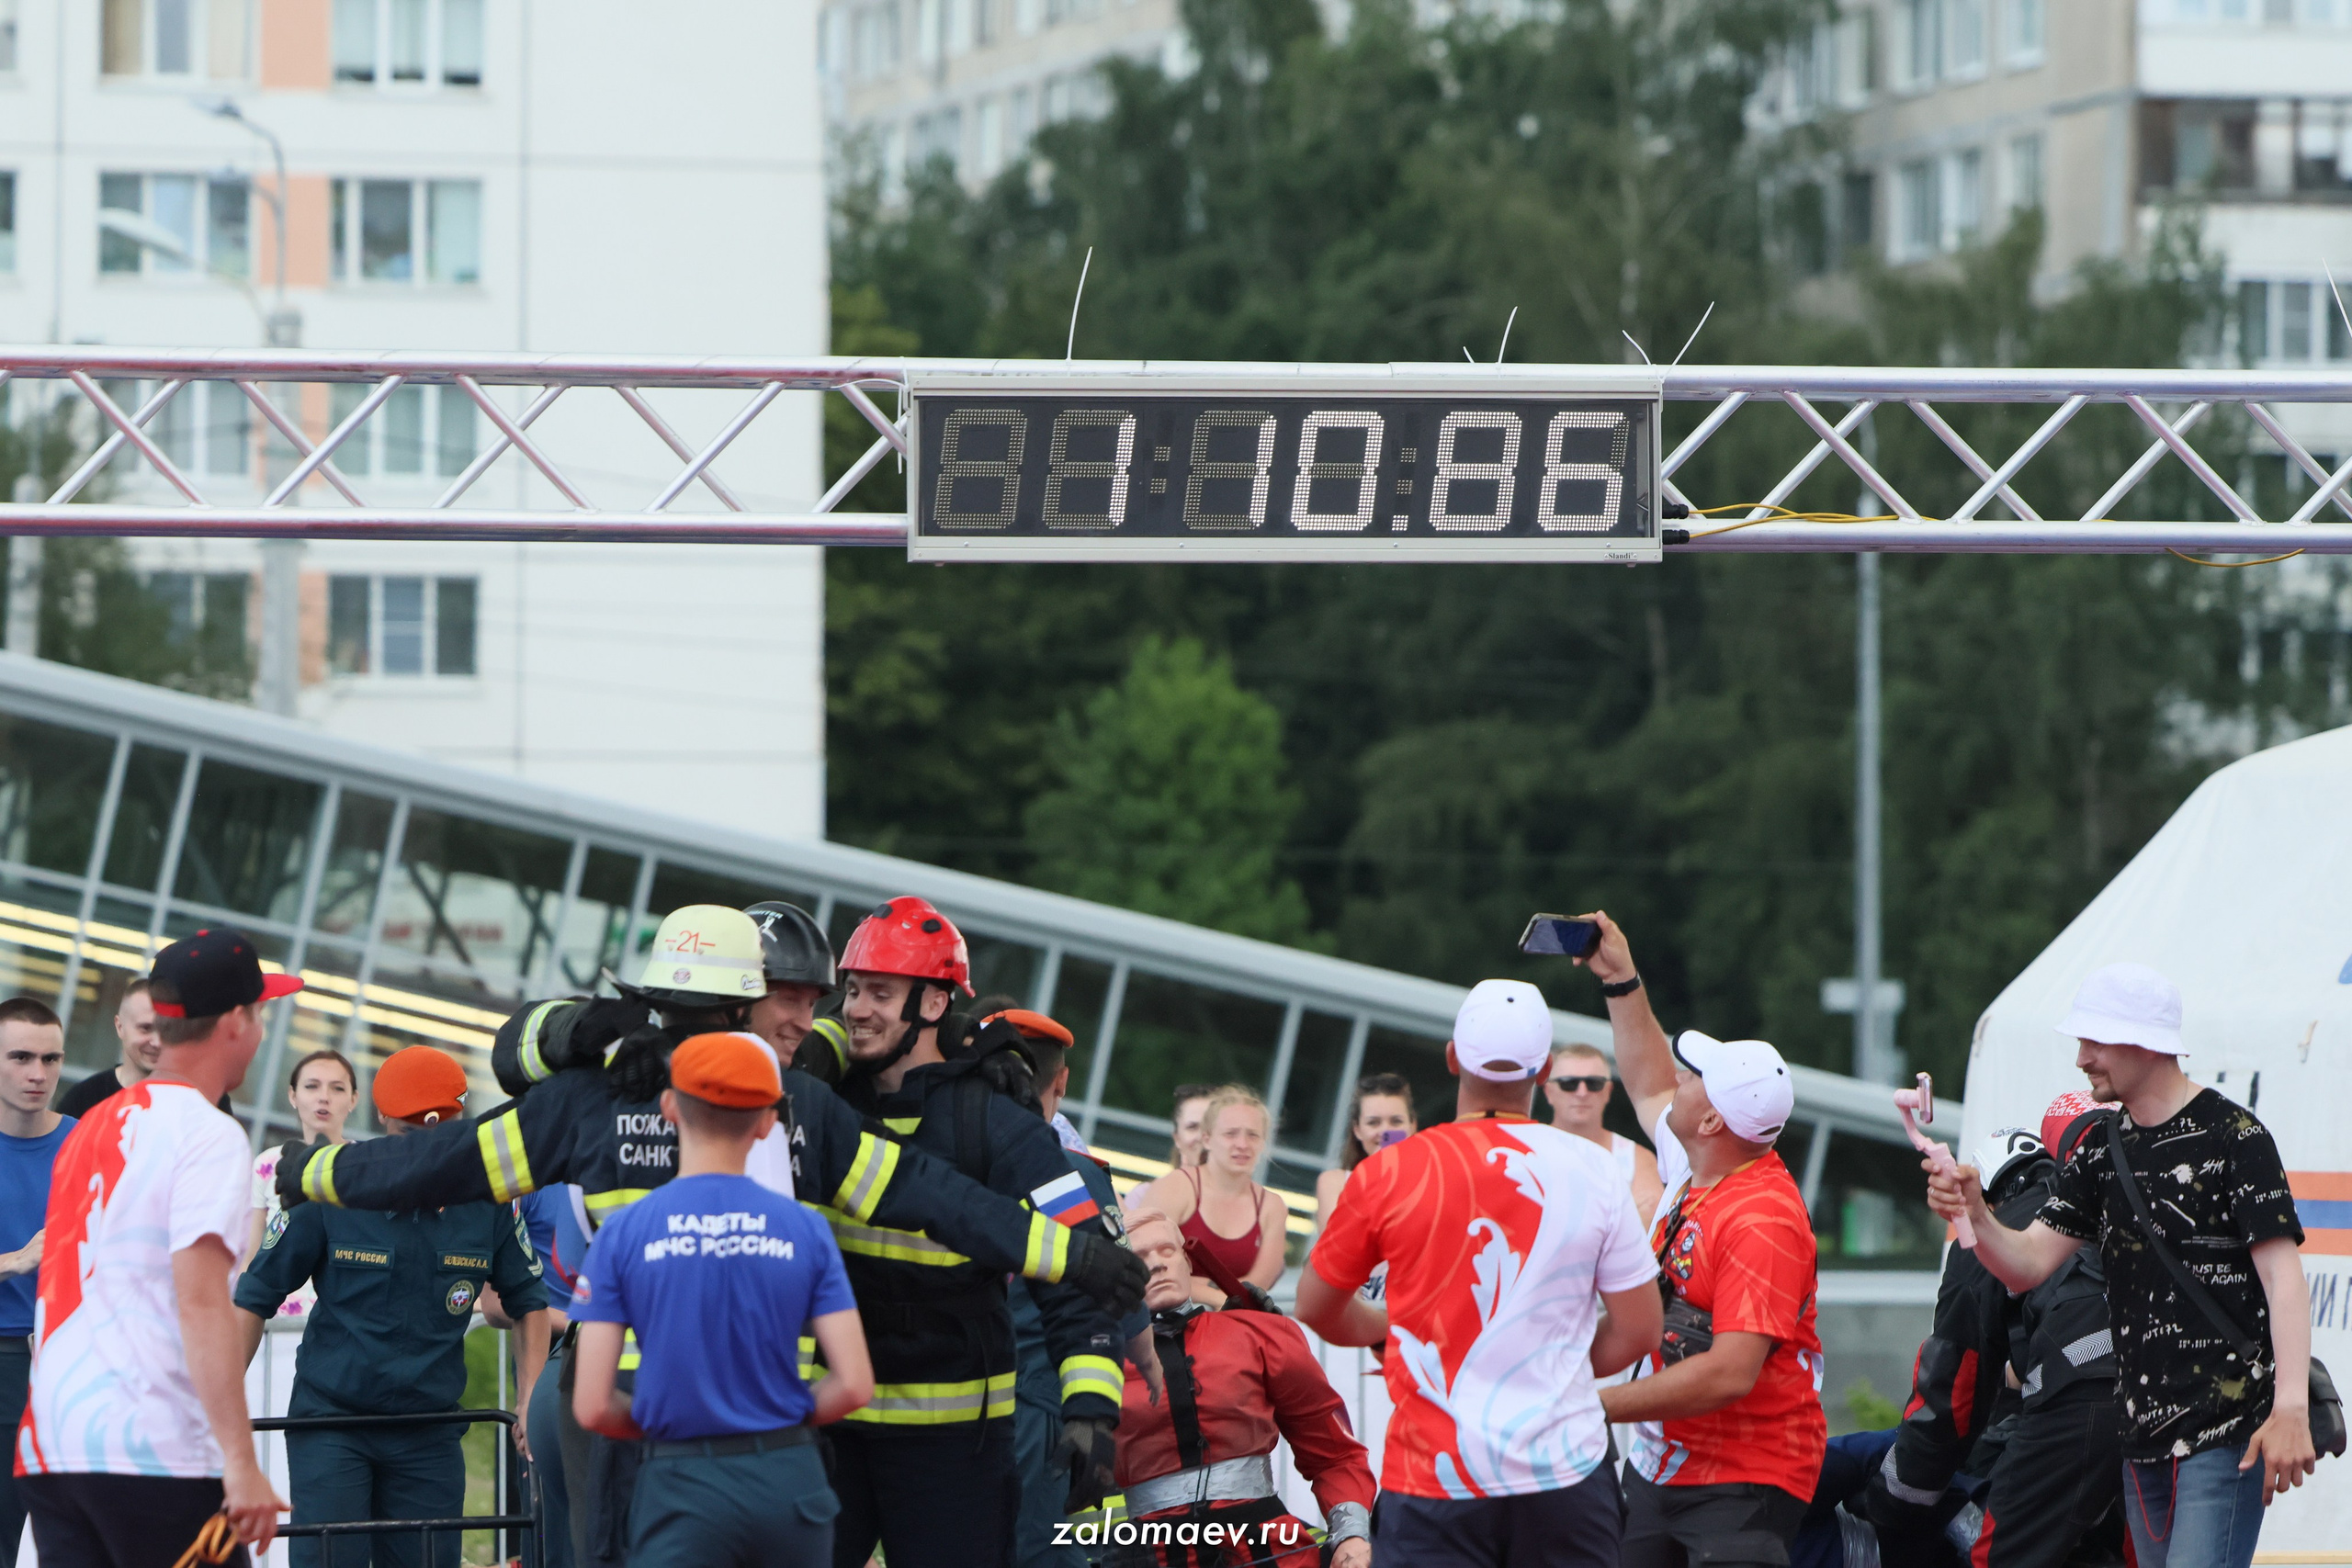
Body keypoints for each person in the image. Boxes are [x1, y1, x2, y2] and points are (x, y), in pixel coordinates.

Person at [269, 905, 1145, 1568]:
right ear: (749, 1006)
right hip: (759, 1440)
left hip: (633, 1425)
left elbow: (432, 1165)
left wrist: (304, 1171)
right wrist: (1077, 1254)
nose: (809, 1018)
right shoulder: (799, 1113)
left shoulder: (586, 1107)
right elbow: (931, 1195)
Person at [1924, 963, 2315, 1568]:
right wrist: (1974, 1209)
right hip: (2140, 1442)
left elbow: (2282, 1276)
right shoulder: (2101, 1150)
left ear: (2145, 1042)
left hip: (2224, 1430)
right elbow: (2026, 1262)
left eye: (2094, 1040)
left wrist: (2290, 1405)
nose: (2081, 1058)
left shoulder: (2234, 1135)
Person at [1299, 977, 1663, 1568]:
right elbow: (1641, 1329)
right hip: (1564, 1474)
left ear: (1452, 1057)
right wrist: (1557, 1361)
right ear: (1543, 1069)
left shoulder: (1389, 1171)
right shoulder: (1597, 1170)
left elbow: (1318, 1307)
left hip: (1433, 1474)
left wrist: (1389, 1325)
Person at [822, 897, 1131, 1568]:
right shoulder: (825, 1103)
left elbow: (1083, 1267)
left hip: (952, 1446)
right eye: (851, 989)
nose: (856, 1008)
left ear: (933, 1005)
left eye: (881, 990)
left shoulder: (992, 1120)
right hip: (827, 1429)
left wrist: (1090, 1411)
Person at [20, 929, 298, 1567]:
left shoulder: (93, 1123)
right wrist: (240, 1461)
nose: (260, 1033)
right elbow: (199, 1302)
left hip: (54, 1440)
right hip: (150, 1445)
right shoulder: (208, 1133)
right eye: (260, 1014)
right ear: (235, 1020)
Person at [1569, 911, 1828, 1568]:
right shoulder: (1702, 1160)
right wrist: (1621, 980)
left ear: (1712, 1117)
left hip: (1745, 1474)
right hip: (1668, 1465)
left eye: (1695, 1077)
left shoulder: (1762, 1216)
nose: (1676, 1081)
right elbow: (1650, 1078)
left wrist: (1591, 1406)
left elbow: (1729, 1370)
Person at [236, 1043, 550, 1568]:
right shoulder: (328, 1187)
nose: (424, 1150)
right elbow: (254, 1296)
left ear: (457, 1121)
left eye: (437, 1131)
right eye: (410, 1133)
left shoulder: (488, 1202)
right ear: (381, 1117)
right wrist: (219, 1418)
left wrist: (529, 1398)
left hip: (428, 1436)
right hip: (332, 1428)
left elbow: (529, 1301)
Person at [568, 1032, 873, 1568]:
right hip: (791, 1483)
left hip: (682, 1486)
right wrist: (780, 1416)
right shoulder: (806, 1230)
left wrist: (674, 1422)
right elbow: (853, 1384)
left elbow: (591, 1405)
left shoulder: (625, 1232)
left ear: (668, 1108)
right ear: (765, 1123)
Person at [1865, 1100, 2125, 1568]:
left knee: (1999, 1554)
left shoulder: (1986, 1236)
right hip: (2163, 1399)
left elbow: (1951, 1397)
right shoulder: (2106, 1203)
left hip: (2080, 1403)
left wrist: (1889, 1505)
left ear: (1985, 1193)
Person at [975, 999, 1154, 1568]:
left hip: (943, 1403)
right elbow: (1125, 1308)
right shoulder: (1076, 1176)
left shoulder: (940, 1157)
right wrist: (1147, 1363)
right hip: (1038, 1411)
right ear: (1062, 1083)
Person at [1110, 1209, 1374, 1568]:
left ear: (1188, 1263)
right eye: (1138, 1258)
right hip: (1147, 1552)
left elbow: (1334, 1454)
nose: (1157, 1265)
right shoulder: (1093, 1360)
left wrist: (1352, 1537)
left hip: (1271, 1548)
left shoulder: (1260, 1335)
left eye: (1167, 1251)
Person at [0, 997, 71, 1568]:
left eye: (50, 1059)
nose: (37, 1074)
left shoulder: (88, 1142)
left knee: (78, 1539)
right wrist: (14, 1261)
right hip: (4, 1356)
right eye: (21, 1057)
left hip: (74, 1364)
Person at [1139, 1086, 1288, 1307]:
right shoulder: (1175, 1187)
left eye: (1253, 1135)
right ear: (1206, 1139)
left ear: (1264, 1143)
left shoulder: (1272, 1206)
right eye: (1231, 1134)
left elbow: (1258, 1286)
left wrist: (1200, 1287)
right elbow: (1146, 1266)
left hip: (1229, 1325)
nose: (1242, 1144)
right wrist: (1216, 1296)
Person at [246, 1049, 360, 1316]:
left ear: (354, 1100)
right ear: (292, 1096)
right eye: (311, 1086)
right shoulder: (268, 1163)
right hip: (276, 1319)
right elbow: (252, 1252)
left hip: (343, 1317)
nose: (324, 1097)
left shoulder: (365, 1164)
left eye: (337, 1089)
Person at [1544, 1043, 1665, 1226]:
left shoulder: (1636, 1158)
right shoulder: (1527, 1146)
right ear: (1548, 1092)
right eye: (1569, 1084)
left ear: (1608, 1091)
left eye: (1594, 1084)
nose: (1582, 1092)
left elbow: (1652, 1219)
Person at [51, 979, 200, 1120]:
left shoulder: (199, 1105)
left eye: (166, 1029)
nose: (157, 1042)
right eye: (146, 1028)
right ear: (120, 1026)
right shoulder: (84, 1099)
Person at [1311, 1073, 1415, 1234]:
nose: (1385, 1131)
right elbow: (1333, 1243)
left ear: (1412, 1126)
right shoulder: (1335, 1182)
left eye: (1396, 1122)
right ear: (1357, 1130)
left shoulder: (1430, 1185)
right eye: (1373, 1123)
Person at [744, 900, 839, 1066]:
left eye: (811, 1004)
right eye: (790, 1000)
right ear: (738, 999)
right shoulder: (685, 1072)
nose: (807, 1025)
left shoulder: (808, 1083)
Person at [1130, 1086, 1216, 1206]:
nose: (1202, 1137)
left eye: (1210, 1126)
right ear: (1177, 1138)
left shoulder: (1243, 1206)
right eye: (1192, 1127)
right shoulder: (1143, 1195)